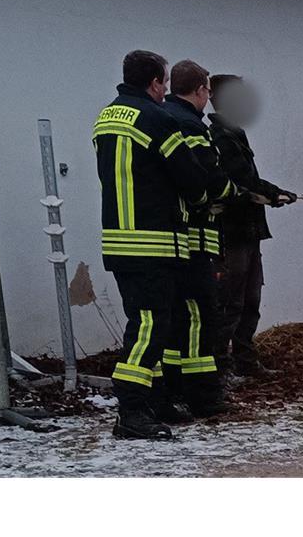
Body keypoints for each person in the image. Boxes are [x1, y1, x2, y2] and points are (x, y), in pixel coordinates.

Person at [94, 50, 215, 439]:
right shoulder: (156, 119)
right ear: (156, 83)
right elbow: (192, 180)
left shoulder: (107, 117)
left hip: (119, 240)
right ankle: (131, 411)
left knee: (147, 323)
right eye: (163, 82)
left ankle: (156, 400)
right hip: (154, 242)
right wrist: (201, 199)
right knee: (149, 326)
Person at [161, 60, 243, 416]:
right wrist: (232, 194)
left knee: (178, 318)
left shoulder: (164, 118)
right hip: (195, 239)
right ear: (199, 91)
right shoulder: (192, 126)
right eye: (207, 90)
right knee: (199, 316)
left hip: (173, 240)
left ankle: (175, 388)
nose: (208, 96)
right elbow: (209, 178)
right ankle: (203, 396)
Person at [209, 74, 298, 378]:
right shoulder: (220, 136)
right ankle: (220, 366)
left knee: (250, 299)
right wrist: (274, 192)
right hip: (232, 232)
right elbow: (243, 179)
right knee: (231, 301)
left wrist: (273, 193)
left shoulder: (234, 133)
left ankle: (245, 360)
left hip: (248, 230)